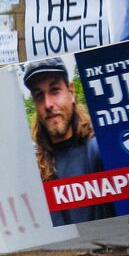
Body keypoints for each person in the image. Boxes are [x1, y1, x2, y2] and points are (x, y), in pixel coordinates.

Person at [24, 57, 115, 225]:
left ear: (71, 93)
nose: (48, 104)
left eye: (55, 90)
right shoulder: (33, 166)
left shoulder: (96, 149)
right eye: (39, 96)